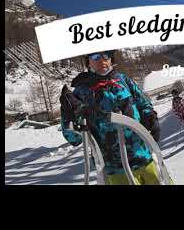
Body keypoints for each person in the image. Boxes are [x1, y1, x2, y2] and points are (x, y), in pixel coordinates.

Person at [59, 50, 165, 185]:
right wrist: (70, 114)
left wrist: (150, 116)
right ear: (88, 61)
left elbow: (143, 102)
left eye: (106, 56)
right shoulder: (81, 91)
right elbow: (73, 138)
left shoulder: (123, 80)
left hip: (144, 157)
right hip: (115, 169)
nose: (102, 60)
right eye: (96, 57)